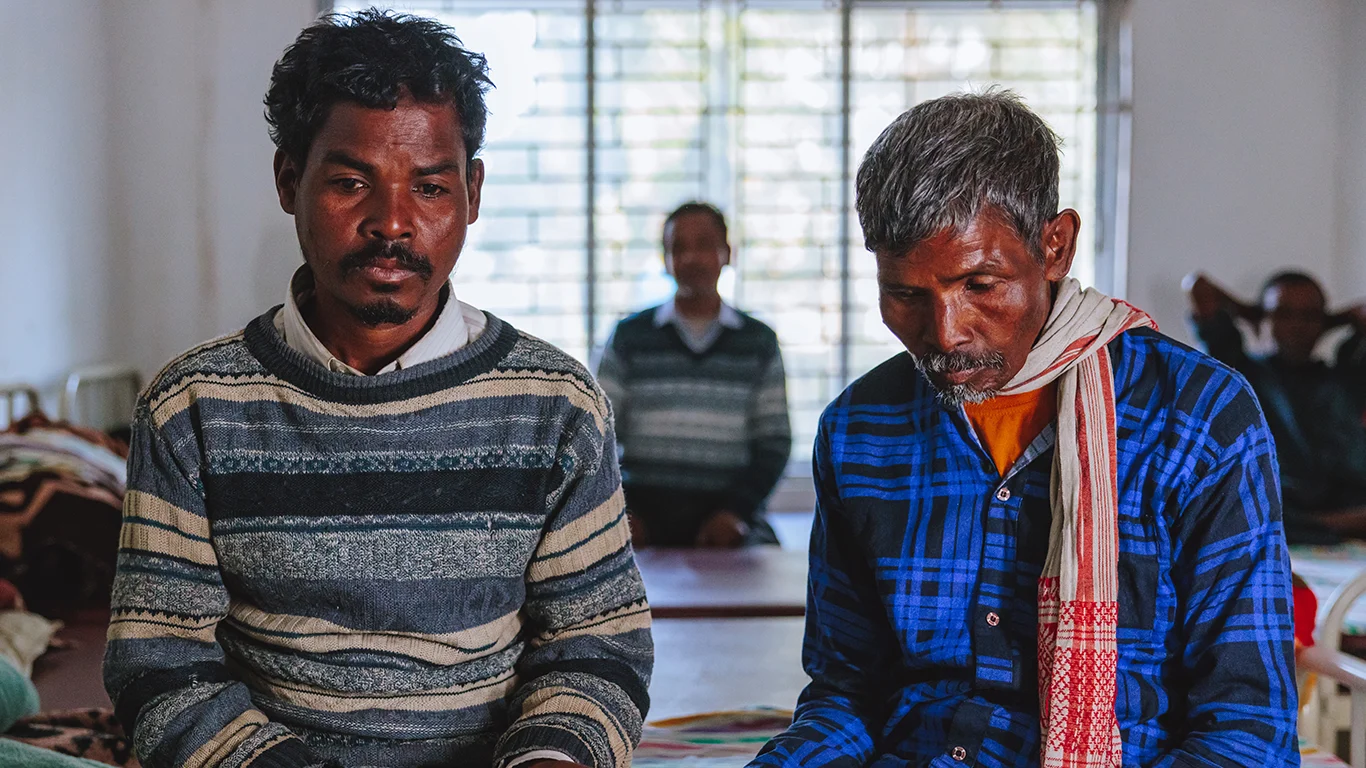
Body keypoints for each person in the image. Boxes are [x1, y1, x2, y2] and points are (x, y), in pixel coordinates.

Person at [102, 11, 651, 768]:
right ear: (289, 180)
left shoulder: (555, 406)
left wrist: (553, 758)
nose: (392, 223)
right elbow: (161, 664)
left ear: (473, 191)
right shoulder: (192, 408)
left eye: (429, 187)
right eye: (351, 182)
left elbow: (597, 644)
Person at [750, 91, 1297, 767]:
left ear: (1055, 245)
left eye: (981, 283)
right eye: (906, 295)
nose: (945, 333)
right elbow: (847, 693)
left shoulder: (1199, 418)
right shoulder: (861, 429)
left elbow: (1248, 731)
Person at [594, 202, 792, 548]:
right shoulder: (629, 337)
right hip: (640, 516)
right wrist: (623, 511)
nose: (691, 259)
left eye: (704, 245)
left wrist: (736, 513)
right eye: (678, 248)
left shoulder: (758, 342)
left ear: (727, 254)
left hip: (731, 519)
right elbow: (596, 438)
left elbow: (773, 444)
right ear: (665, 259)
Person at [1187, 270, 1366, 543]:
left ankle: (1313, 527)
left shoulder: (1344, 379)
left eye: (1309, 316)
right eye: (1283, 314)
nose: (1297, 325)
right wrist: (1249, 312)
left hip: (1341, 510)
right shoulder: (1242, 371)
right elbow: (1198, 287)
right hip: (1274, 509)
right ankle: (1311, 527)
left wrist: (1334, 321)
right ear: (1264, 317)